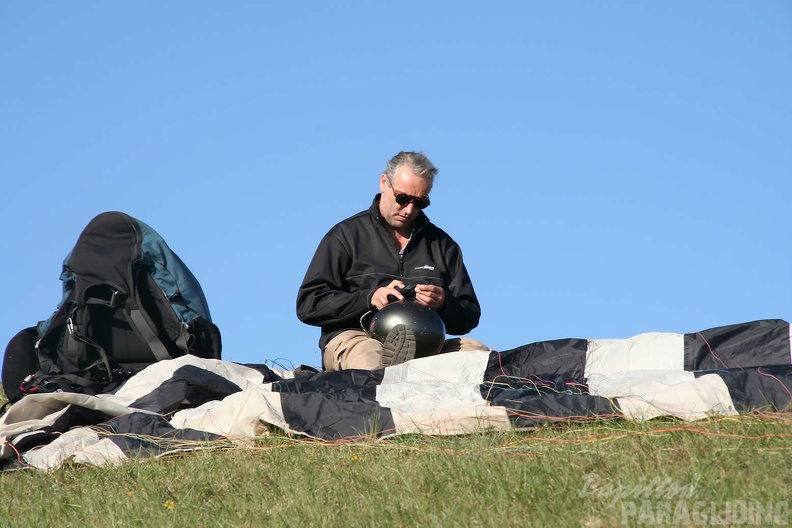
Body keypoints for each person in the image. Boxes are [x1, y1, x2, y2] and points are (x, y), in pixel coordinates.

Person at [296, 151, 485, 371]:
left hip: (429, 345)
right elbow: (309, 305)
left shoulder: (443, 245)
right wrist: (369, 299)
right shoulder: (345, 236)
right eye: (402, 198)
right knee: (371, 362)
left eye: (420, 202)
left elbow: (469, 315)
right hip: (358, 339)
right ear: (384, 182)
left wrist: (444, 303)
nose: (409, 209)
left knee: (479, 355)